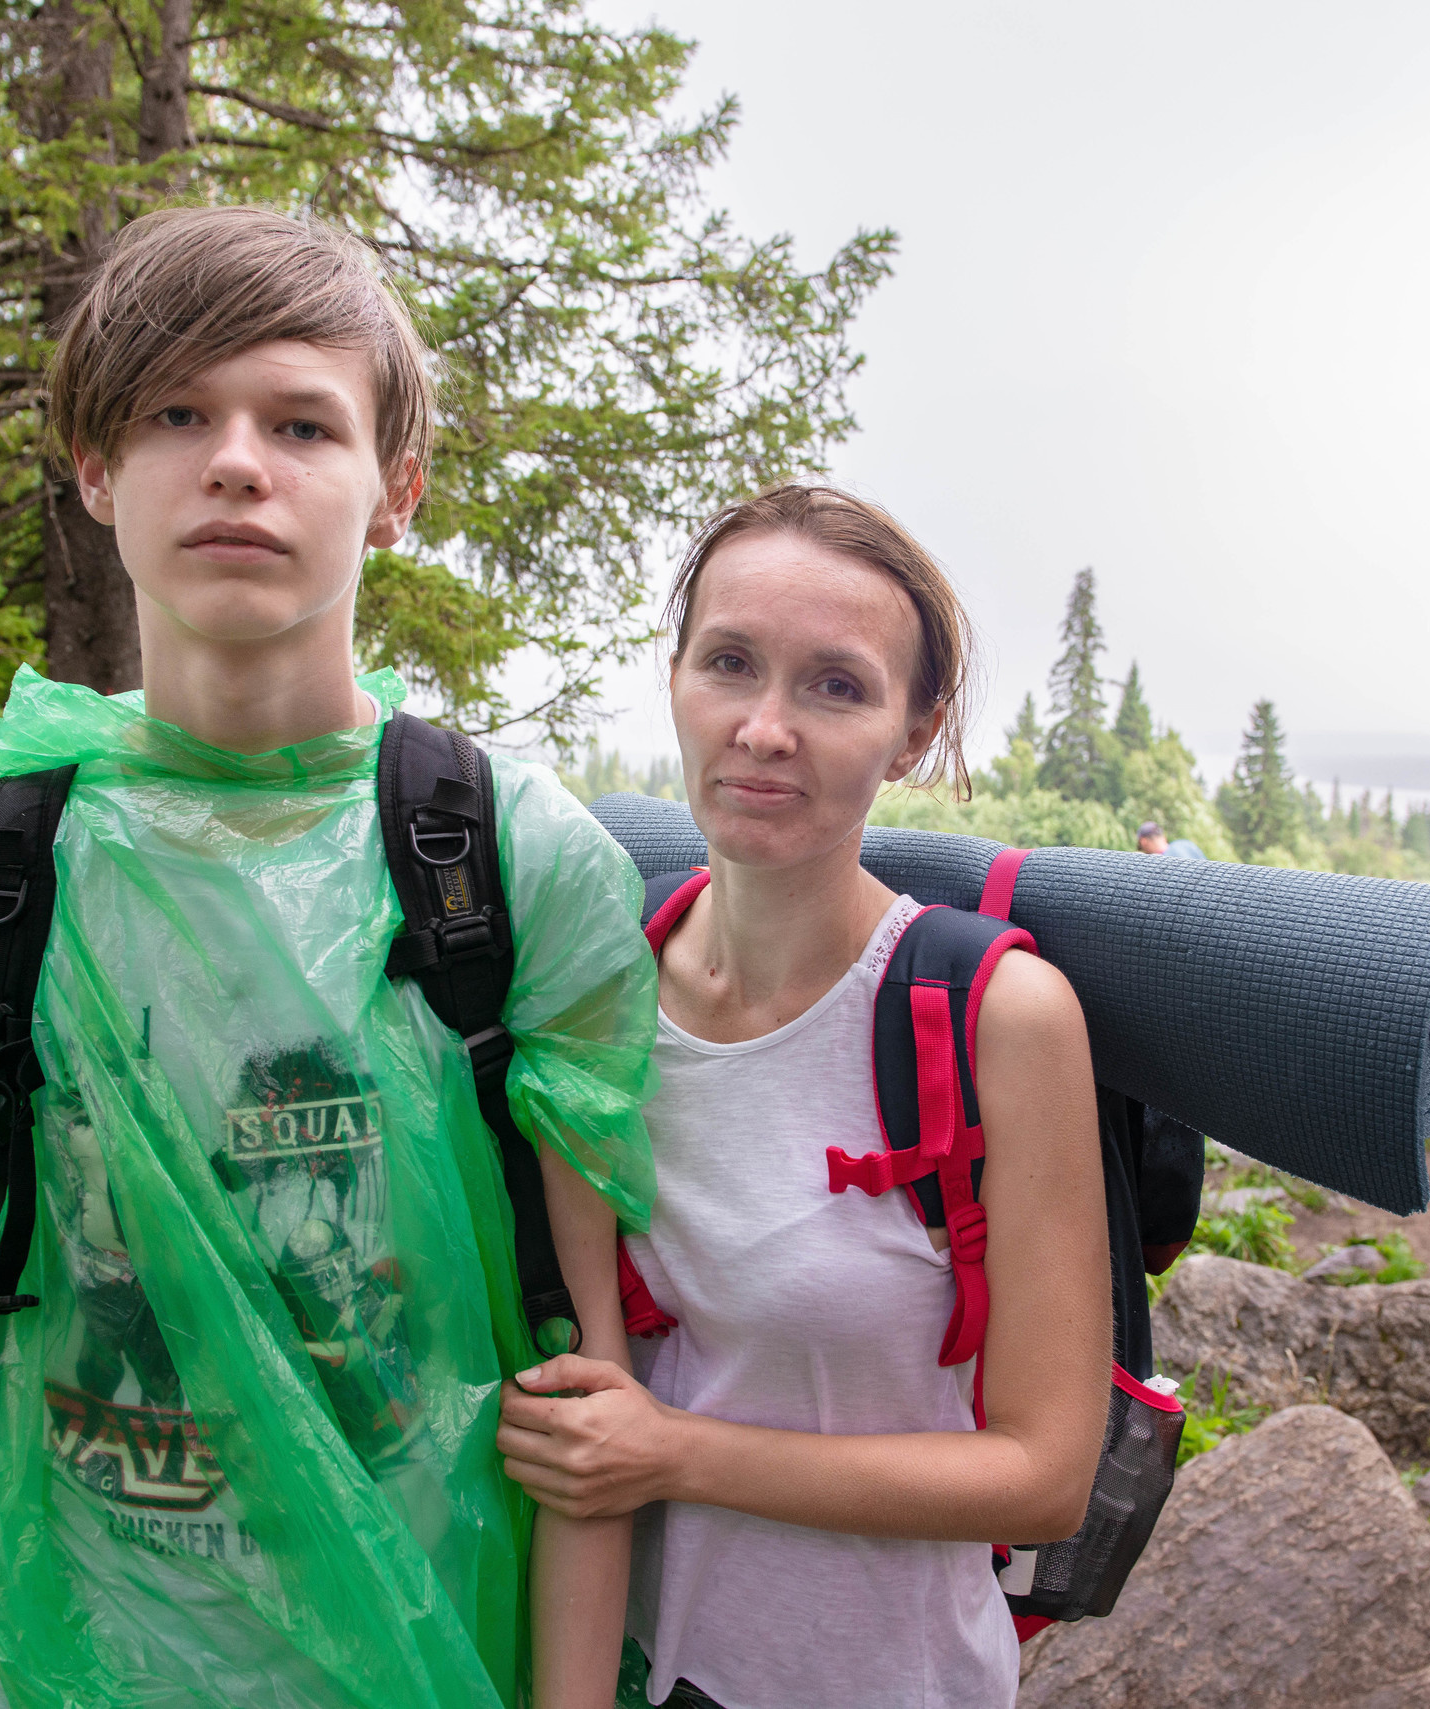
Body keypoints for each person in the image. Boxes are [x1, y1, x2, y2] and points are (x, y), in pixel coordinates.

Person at [0, 206, 654, 1709]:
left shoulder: (508, 864)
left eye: (303, 423)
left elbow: (580, 1393)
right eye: (175, 413)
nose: (236, 462)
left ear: (394, 492)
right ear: (96, 469)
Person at [495, 486, 1112, 1709]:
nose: (765, 727)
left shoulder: (997, 1018)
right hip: (617, 1665)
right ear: (674, 676)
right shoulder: (590, 990)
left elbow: (1044, 1475)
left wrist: (671, 1454)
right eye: (730, 662)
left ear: (916, 730)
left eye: (836, 686)